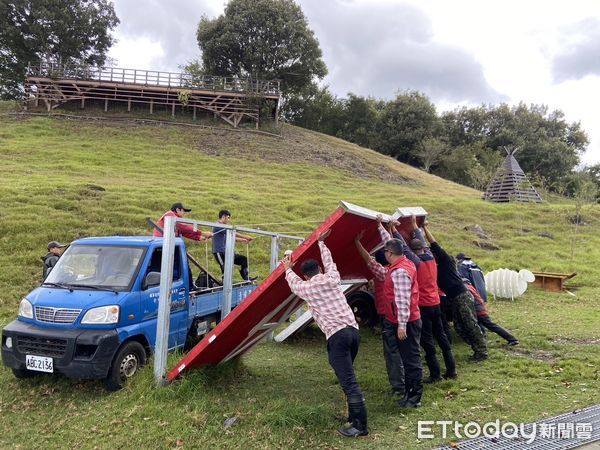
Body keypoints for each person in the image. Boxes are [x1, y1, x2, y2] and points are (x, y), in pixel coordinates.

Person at [284, 229, 368, 437]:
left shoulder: (306, 288)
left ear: (306, 275)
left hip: (337, 337)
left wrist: (287, 268)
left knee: (348, 380)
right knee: (347, 375)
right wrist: (322, 243)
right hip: (353, 332)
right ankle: (352, 417)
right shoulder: (332, 278)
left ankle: (360, 425)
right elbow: (331, 263)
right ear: (319, 269)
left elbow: (293, 283)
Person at [361, 217, 423, 408]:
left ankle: (414, 398)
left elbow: (403, 300)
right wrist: (380, 225)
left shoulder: (399, 272)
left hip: (406, 321)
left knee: (411, 359)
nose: (385, 253)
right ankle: (409, 393)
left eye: (386, 251)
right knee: (406, 357)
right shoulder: (401, 264)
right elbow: (390, 246)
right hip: (402, 320)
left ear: (389, 254)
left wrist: (402, 325)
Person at [398, 216, 457, 383]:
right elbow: (423, 241)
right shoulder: (431, 258)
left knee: (428, 342)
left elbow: (402, 246)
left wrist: (393, 230)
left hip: (423, 306)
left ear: (412, 250)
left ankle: (435, 375)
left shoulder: (415, 262)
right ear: (423, 248)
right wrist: (415, 225)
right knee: (442, 337)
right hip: (436, 303)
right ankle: (452, 370)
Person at [422, 222, 489, 362]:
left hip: (462, 296)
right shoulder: (435, 267)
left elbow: (434, 243)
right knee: (459, 327)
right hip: (454, 299)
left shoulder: (446, 261)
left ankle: (482, 352)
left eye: (432, 253)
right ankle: (477, 347)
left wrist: (424, 228)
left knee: (470, 324)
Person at [355, 234, 405, 398]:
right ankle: (407, 381)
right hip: (403, 314)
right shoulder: (402, 268)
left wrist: (357, 242)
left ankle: (398, 386)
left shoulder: (383, 273)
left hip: (388, 316)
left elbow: (368, 259)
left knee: (391, 351)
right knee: (404, 349)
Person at [465, 281, 519, 346]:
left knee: (492, 326)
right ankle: (482, 341)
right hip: (480, 309)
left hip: (479, 311)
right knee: (485, 326)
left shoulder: (466, 288)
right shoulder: (469, 286)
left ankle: (512, 339)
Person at [212, 210, 256, 281]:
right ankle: (225, 283)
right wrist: (246, 236)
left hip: (227, 252)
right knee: (225, 268)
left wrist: (243, 240)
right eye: (228, 218)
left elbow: (231, 236)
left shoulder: (224, 227)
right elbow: (233, 232)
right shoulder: (218, 226)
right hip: (219, 252)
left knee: (243, 259)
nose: (229, 220)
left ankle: (246, 277)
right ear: (223, 217)